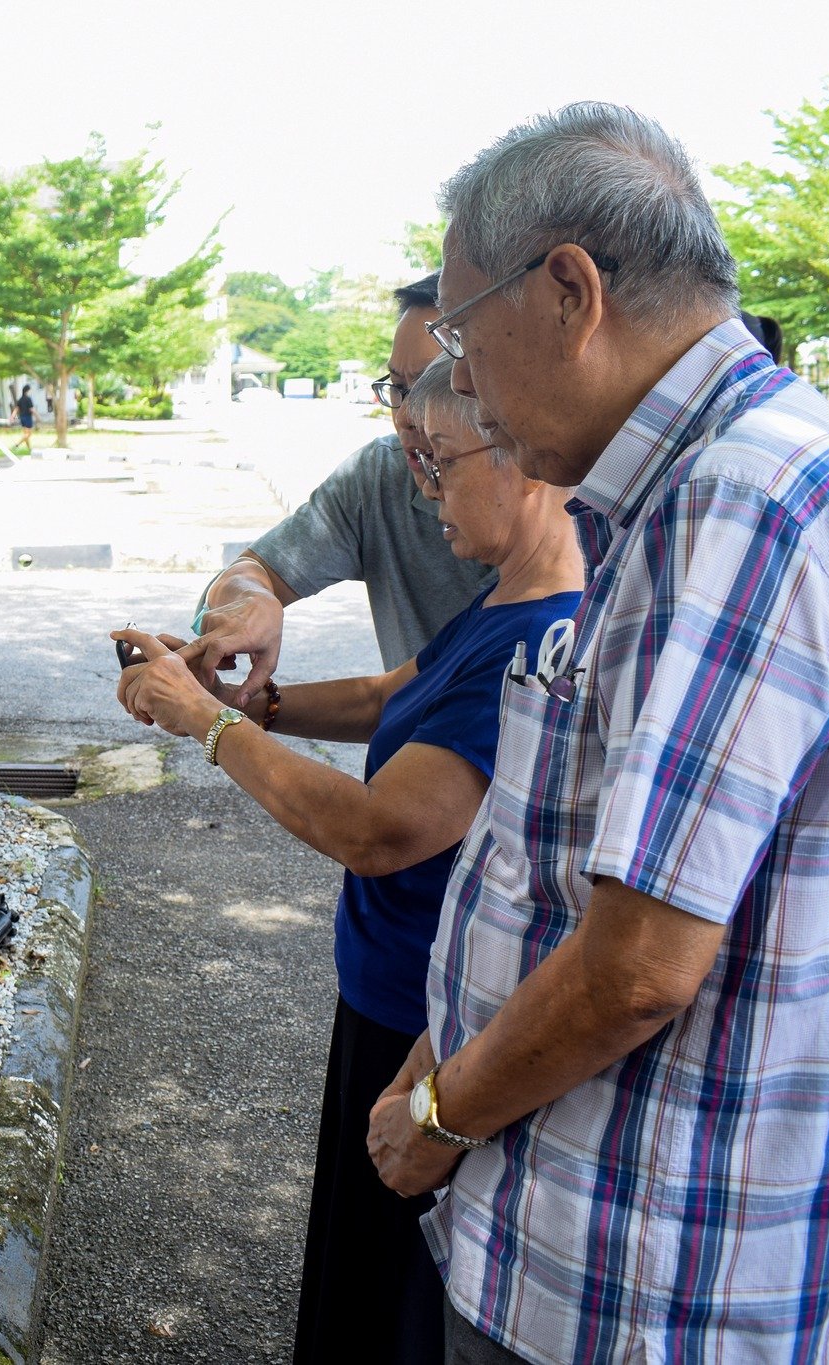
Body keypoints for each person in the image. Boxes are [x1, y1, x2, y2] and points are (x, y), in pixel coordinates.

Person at [361, 103, 829, 1363]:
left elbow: (637, 967)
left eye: (458, 338)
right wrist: (450, 1034)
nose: (457, 387)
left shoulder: (735, 500)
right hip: (630, 1235)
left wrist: (441, 1113)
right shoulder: (706, 481)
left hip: (643, 1276)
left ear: (567, 289)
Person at [112, 355, 583, 1365]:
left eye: (441, 462)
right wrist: (249, 703)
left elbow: (379, 830)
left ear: (528, 459)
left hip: (430, 1020)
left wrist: (205, 728)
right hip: (383, 988)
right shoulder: (500, 603)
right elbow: (383, 697)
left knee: (387, 1302)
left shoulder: (543, 638)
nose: (421, 488)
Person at [185, 275, 493, 712]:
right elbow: (387, 700)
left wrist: (215, 718)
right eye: (398, 388)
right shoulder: (382, 475)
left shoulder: (574, 527)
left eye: (429, 388)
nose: (405, 416)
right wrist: (254, 599)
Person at [13, 383, 37, 452]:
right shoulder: (28, 399)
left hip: (22, 418)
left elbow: (16, 409)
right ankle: (17, 444)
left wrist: (12, 416)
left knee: (26, 434)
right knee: (29, 434)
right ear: (27, 390)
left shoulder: (20, 399)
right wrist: (38, 416)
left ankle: (29, 449)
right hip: (28, 418)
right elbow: (31, 409)